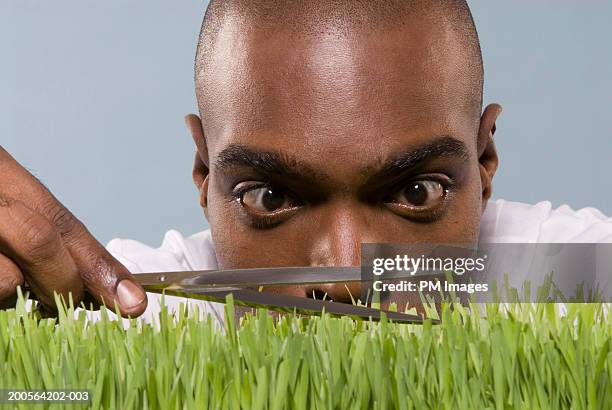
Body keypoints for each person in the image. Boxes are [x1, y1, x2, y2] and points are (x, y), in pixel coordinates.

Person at [0, 0, 610, 320]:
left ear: (484, 162)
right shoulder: (124, 316)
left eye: (418, 193)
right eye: (269, 198)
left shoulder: (571, 273)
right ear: (205, 177)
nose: (347, 276)